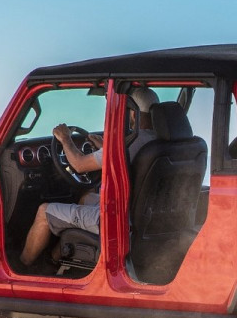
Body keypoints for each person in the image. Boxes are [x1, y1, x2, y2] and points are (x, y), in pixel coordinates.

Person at [20, 86, 159, 267]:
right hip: (142, 213)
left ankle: (24, 267)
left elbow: (78, 164)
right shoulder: (156, 141)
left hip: (118, 219)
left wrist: (65, 139)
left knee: (44, 211)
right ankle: (57, 259)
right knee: (85, 198)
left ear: (132, 114)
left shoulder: (125, 144)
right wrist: (104, 149)